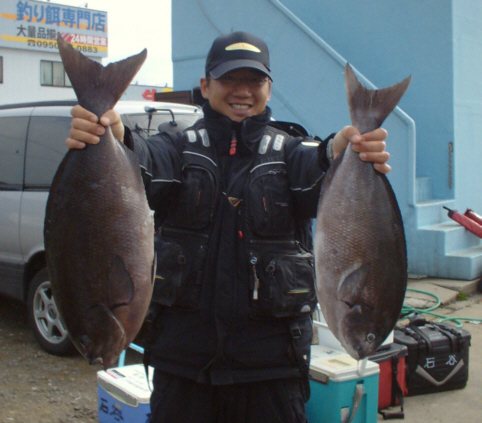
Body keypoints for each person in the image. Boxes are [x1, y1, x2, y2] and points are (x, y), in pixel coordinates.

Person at [67, 31, 390, 423]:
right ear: (205, 86)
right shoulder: (177, 147)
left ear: (269, 88)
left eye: (254, 80)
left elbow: (315, 164)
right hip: (183, 370)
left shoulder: (291, 151)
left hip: (272, 373)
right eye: (229, 79)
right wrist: (116, 138)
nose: (243, 91)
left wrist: (340, 152)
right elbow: (145, 161)